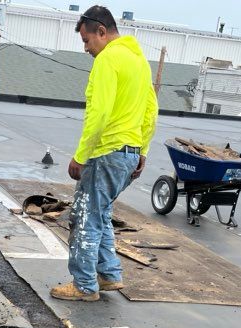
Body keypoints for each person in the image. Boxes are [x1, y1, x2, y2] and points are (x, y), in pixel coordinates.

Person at [51, 6, 158, 301]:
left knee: (85, 218)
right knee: (101, 213)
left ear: (101, 31)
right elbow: (151, 112)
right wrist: (142, 151)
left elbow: (98, 114)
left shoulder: (108, 59)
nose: (87, 49)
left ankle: (84, 285)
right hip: (129, 153)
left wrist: (81, 155)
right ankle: (109, 275)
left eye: (87, 41)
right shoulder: (139, 61)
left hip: (107, 152)